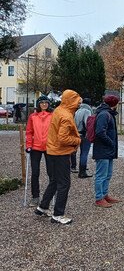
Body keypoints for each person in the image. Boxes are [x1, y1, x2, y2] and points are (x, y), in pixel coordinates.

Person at [34, 90, 82, 225]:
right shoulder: (66, 116)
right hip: (60, 153)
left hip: (52, 151)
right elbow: (63, 138)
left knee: (54, 181)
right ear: (71, 101)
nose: (78, 104)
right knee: (64, 184)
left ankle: (42, 207)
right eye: (77, 101)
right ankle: (58, 214)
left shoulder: (58, 110)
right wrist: (77, 140)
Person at [93, 92, 121, 208]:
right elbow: (100, 132)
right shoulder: (105, 114)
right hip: (103, 150)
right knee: (101, 175)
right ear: (115, 104)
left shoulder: (108, 113)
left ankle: (105, 194)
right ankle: (99, 198)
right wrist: (111, 142)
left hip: (108, 150)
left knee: (107, 174)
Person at [25, 95, 53, 207]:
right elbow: (29, 132)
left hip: (48, 147)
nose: (44, 104)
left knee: (51, 172)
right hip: (35, 148)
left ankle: (50, 196)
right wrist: (28, 145)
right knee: (35, 172)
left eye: (46, 102)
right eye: (42, 102)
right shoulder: (33, 116)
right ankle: (35, 197)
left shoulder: (52, 115)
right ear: (38, 104)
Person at [74, 97, 93, 178]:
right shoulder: (87, 111)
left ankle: (78, 168)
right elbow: (87, 123)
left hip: (77, 134)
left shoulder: (77, 111)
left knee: (79, 153)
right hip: (84, 135)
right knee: (84, 153)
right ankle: (82, 172)